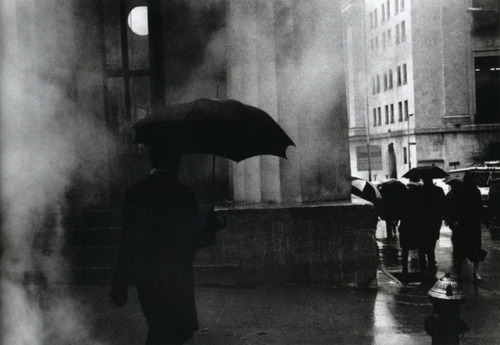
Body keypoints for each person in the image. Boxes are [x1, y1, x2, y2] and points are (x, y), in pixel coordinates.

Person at [109, 146, 226, 345]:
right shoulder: (183, 194)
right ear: (176, 163)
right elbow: (194, 239)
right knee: (172, 334)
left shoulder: (135, 193)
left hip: (147, 279)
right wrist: (211, 227)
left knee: (159, 329)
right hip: (177, 278)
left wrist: (119, 281)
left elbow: (127, 242)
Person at [446, 172, 485, 281]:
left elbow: (478, 207)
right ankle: (472, 271)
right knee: (470, 247)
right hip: (468, 224)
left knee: (464, 247)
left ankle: (464, 269)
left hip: (468, 224)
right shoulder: (462, 192)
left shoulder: (469, 191)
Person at [418, 175, 445, 273]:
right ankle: (431, 260)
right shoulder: (438, 190)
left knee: (421, 241)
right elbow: (443, 205)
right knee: (432, 240)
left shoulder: (419, 191)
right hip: (434, 220)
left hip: (422, 220)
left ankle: (422, 261)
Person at [398, 178, 422, 280]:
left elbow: (400, 209)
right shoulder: (420, 195)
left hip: (406, 224)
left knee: (405, 248)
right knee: (420, 247)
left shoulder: (404, 194)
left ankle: (404, 268)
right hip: (417, 224)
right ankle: (422, 267)